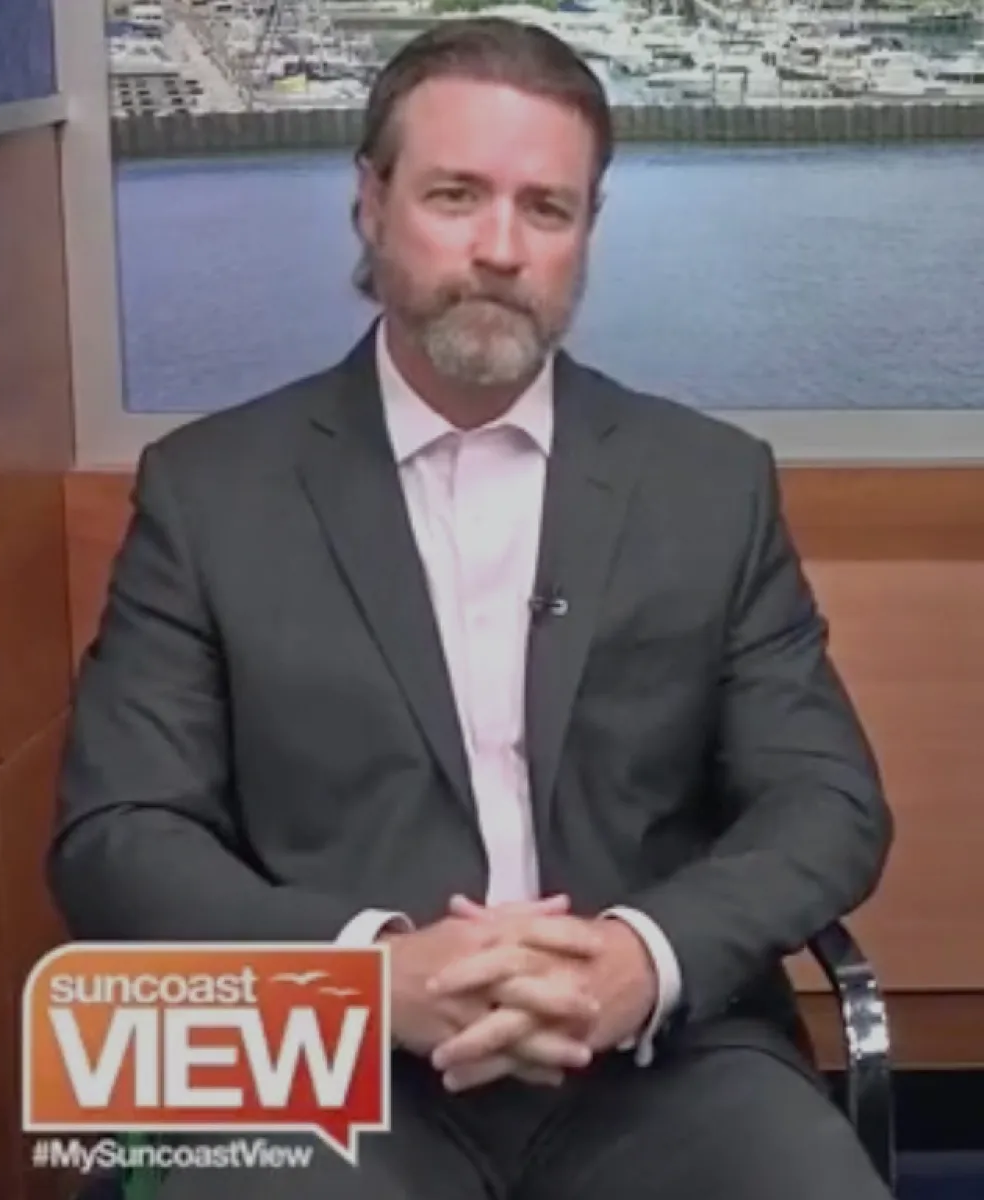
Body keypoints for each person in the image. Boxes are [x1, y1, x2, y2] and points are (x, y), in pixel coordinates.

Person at [48, 16, 894, 1200]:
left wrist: (642, 959)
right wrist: (370, 972)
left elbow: (826, 800)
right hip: (328, 1065)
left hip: (659, 1066)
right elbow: (118, 834)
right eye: (455, 196)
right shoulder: (211, 493)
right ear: (369, 203)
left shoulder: (707, 483)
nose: (499, 247)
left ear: (585, 235)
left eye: (544, 209)